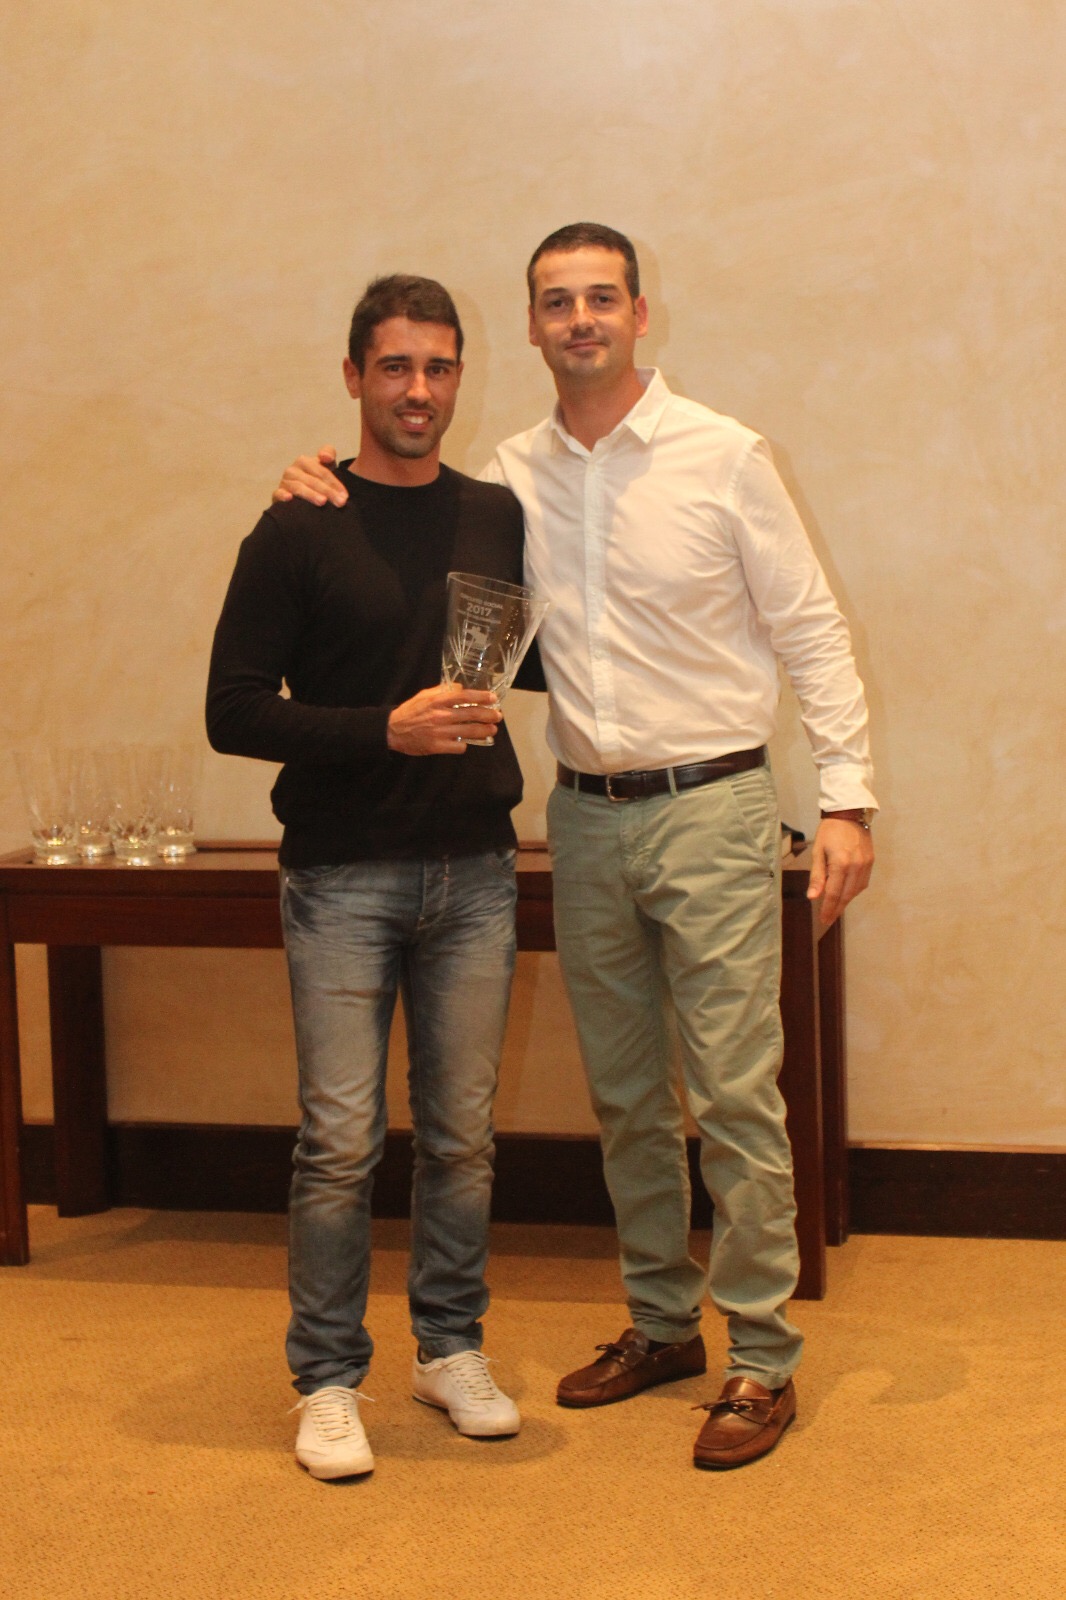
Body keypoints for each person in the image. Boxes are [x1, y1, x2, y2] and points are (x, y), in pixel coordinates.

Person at [272, 224, 876, 1470]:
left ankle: (761, 1356)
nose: (581, 319)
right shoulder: (506, 481)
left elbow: (810, 628)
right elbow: (406, 526)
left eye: (602, 297)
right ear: (534, 325)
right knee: (626, 1097)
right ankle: (661, 1323)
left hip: (712, 804)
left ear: (640, 314)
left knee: (732, 1091)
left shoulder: (724, 454)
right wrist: (313, 476)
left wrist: (847, 800)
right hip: (584, 816)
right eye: (558, 301)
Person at [207, 274, 545, 1480]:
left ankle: (449, 1348)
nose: (418, 389)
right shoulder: (298, 524)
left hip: (475, 869)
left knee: (462, 1137)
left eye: (438, 367)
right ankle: (326, 1377)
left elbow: (527, 658)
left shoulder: (495, 513)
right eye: (396, 366)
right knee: (341, 1140)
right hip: (340, 877)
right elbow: (232, 710)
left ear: (459, 377)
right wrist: (380, 731)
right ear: (354, 376)